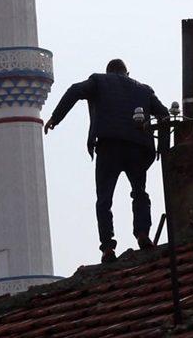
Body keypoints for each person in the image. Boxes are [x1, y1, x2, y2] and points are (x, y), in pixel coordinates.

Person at [44, 59, 169, 263]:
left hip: (108, 146)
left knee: (104, 199)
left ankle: (108, 248)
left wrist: (55, 118)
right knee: (139, 192)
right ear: (127, 73)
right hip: (137, 147)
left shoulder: (98, 81)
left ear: (109, 71)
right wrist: (162, 148)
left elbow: (74, 91)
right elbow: (164, 114)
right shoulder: (144, 90)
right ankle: (143, 234)